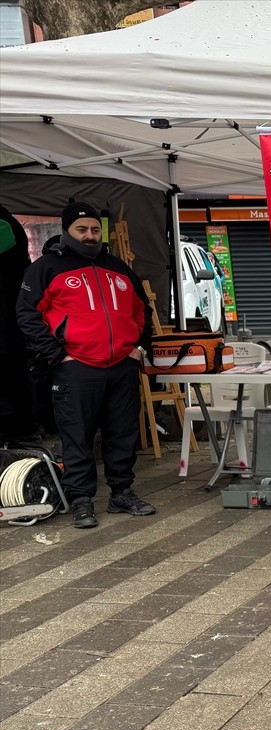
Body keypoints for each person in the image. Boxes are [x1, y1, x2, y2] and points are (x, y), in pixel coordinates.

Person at [16, 201, 156, 528]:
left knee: (123, 433)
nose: (90, 235)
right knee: (77, 436)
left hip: (121, 365)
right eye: (81, 229)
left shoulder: (119, 268)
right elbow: (27, 314)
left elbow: (142, 310)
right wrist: (56, 354)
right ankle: (81, 500)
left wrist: (138, 348)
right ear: (67, 231)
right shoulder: (46, 268)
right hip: (75, 367)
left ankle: (122, 493)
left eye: (94, 229)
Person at [0, 203, 37, 442]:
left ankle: (22, 427)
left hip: (9, 315)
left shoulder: (3, 223)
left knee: (12, 367)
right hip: (10, 313)